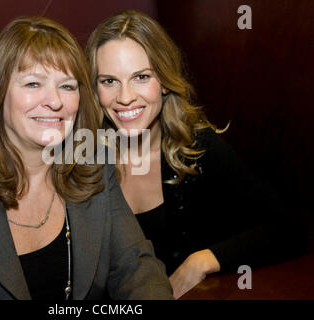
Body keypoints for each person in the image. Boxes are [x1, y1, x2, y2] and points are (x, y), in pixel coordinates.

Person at [0, 16, 173, 300]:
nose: (55, 101)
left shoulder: (94, 167)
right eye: (34, 84)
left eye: (67, 86)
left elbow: (137, 267)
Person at [85, 10, 307, 299]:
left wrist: (202, 260)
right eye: (109, 81)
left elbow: (289, 230)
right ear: (94, 89)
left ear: (164, 81)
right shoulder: (83, 159)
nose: (125, 97)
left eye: (141, 77)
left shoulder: (197, 150)